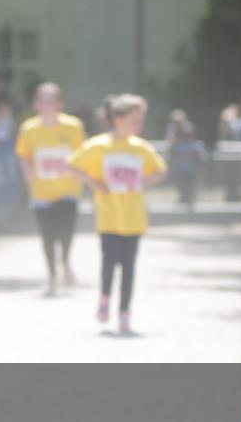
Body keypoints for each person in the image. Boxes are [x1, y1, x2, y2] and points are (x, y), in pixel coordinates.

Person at [66, 94, 167, 334]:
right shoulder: (99, 145)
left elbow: (161, 169)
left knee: (129, 267)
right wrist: (93, 183)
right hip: (109, 218)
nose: (138, 125)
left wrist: (145, 181)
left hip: (133, 219)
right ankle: (104, 299)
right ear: (117, 119)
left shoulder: (140, 147)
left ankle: (124, 311)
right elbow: (72, 165)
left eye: (140, 120)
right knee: (109, 263)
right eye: (134, 119)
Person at [14, 82, 86, 296]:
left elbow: (81, 153)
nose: (47, 105)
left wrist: (75, 169)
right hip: (41, 191)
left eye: (51, 101)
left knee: (65, 232)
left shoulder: (73, 126)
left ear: (60, 104)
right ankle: (52, 276)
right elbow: (24, 154)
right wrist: (27, 171)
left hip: (68, 189)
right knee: (47, 235)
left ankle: (65, 261)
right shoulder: (29, 128)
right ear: (36, 104)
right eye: (43, 101)